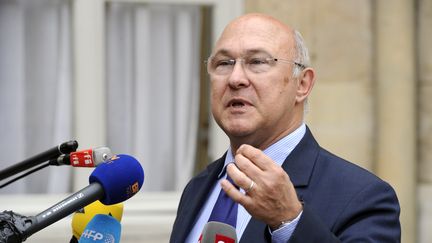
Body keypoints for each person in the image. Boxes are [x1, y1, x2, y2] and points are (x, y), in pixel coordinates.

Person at [170, 13, 400, 243]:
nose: (235, 78)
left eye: (257, 62)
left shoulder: (363, 196)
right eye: (223, 63)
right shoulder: (197, 188)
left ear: (302, 84)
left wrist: (289, 220)